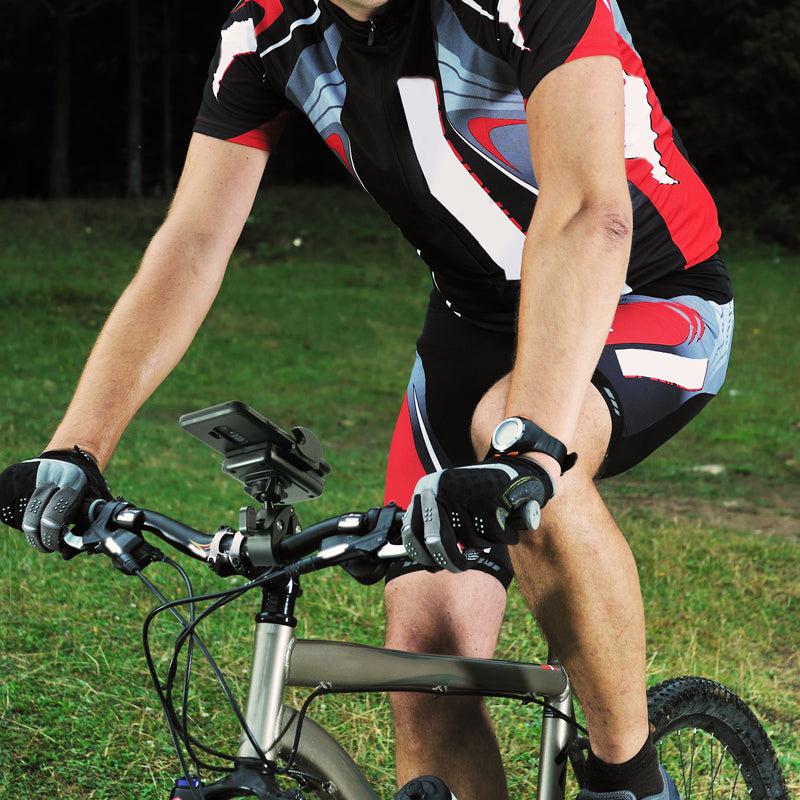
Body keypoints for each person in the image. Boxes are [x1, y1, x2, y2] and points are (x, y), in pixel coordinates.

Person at [0, 0, 734, 797]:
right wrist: (77, 446)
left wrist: (530, 443)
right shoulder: (266, 32)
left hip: (644, 294)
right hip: (472, 325)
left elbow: (592, 214)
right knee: (422, 658)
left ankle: (629, 776)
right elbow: (192, 242)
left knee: (514, 438)